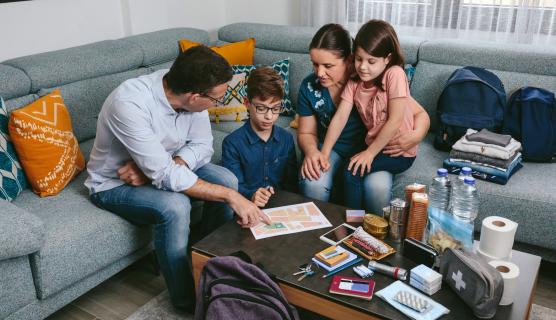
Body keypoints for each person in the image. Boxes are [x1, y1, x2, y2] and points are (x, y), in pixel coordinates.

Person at [84, 46, 271, 312]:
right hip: (113, 184)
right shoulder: (129, 103)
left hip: (165, 163)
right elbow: (163, 174)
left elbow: (203, 145)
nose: (217, 103)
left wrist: (164, 165)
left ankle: (209, 265)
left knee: (226, 179)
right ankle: (187, 301)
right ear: (195, 98)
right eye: (216, 100)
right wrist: (232, 198)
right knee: (176, 207)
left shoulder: (189, 91)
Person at [297, 23, 430, 214]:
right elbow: (329, 122)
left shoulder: (387, 76)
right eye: (315, 64)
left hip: (381, 149)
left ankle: (368, 233)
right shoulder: (348, 82)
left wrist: (416, 136)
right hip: (343, 148)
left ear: (348, 60)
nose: (319, 73)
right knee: (316, 182)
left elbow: (414, 114)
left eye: (328, 66)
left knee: (369, 183)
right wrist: (319, 153)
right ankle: (330, 232)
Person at [222, 67, 297, 208]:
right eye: (261, 108)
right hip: (246, 207)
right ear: (247, 104)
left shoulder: (286, 139)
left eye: (275, 108)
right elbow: (233, 187)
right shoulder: (232, 143)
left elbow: (291, 185)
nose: (269, 116)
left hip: (281, 208)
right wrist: (252, 194)